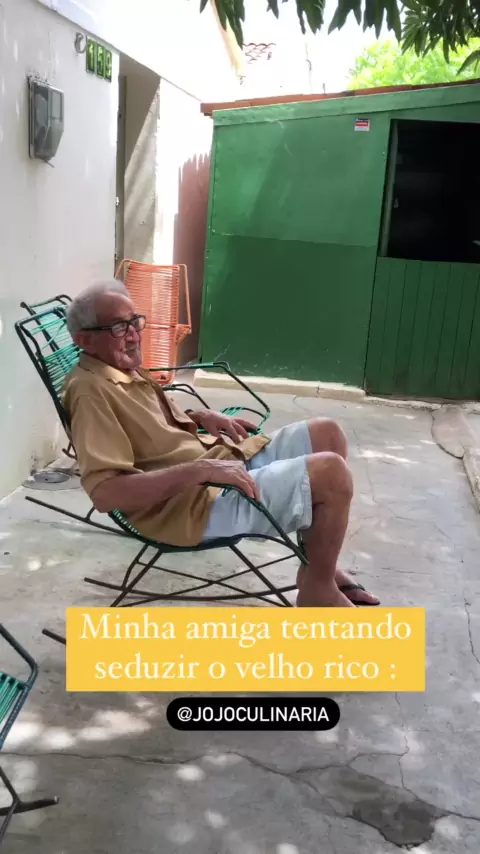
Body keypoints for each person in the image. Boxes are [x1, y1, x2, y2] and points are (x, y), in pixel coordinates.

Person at [63, 280, 379, 609]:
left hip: (215, 466)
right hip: (191, 505)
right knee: (331, 475)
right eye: (118, 327)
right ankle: (318, 590)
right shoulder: (90, 392)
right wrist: (201, 470)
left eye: (134, 321)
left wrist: (199, 417)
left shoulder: (120, 367)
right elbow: (107, 494)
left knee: (328, 434)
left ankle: (317, 568)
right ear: (85, 339)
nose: (133, 334)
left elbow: (145, 424)